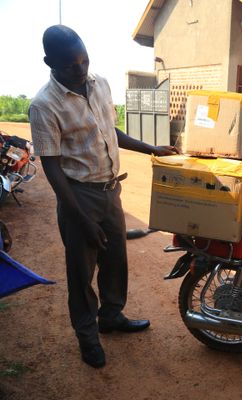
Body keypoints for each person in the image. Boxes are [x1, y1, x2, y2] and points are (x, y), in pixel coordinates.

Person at [28, 25, 178, 369]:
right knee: (82, 274)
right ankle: (87, 336)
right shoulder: (44, 105)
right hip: (77, 195)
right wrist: (80, 219)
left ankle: (111, 316)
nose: (80, 70)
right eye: (70, 65)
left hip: (111, 190)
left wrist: (151, 148)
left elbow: (111, 130)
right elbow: (51, 168)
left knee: (115, 261)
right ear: (49, 62)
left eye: (84, 60)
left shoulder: (99, 84)